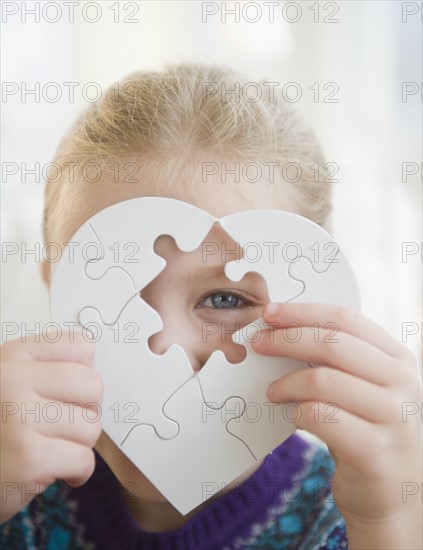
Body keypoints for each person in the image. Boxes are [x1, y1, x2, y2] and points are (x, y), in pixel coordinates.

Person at [0, 64, 421, 549]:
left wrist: (391, 522)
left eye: (225, 299)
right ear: (55, 289)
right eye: (117, 296)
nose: (167, 343)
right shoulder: (17, 494)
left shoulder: (357, 512)